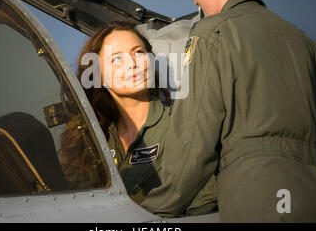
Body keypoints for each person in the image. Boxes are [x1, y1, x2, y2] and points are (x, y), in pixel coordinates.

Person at [140, 0, 316, 222]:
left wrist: (152, 211)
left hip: (260, 199)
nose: (193, 0)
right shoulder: (300, 39)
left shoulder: (211, 34)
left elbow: (193, 143)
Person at [59, 21, 217, 214]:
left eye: (139, 53)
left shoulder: (182, 125)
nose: (132, 64)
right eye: (117, 59)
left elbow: (205, 205)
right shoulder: (92, 140)